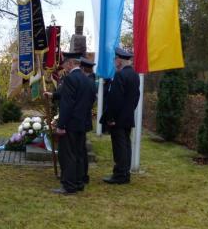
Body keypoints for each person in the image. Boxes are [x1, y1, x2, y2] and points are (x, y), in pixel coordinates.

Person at [45, 52, 93, 195]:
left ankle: (68, 185)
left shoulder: (70, 78)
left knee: (68, 155)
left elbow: (67, 104)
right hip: (82, 123)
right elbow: (84, 99)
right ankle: (78, 182)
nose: (64, 67)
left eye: (65, 64)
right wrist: (53, 95)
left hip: (70, 124)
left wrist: (61, 126)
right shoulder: (86, 79)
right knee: (79, 154)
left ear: (71, 63)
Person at [100, 47, 141, 185]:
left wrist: (111, 118)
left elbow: (115, 99)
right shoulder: (134, 75)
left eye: (115, 59)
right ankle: (125, 173)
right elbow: (136, 97)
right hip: (128, 116)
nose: (114, 62)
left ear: (119, 60)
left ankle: (120, 175)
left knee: (119, 147)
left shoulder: (120, 75)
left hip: (117, 118)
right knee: (126, 145)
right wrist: (129, 110)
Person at [79, 58, 98, 185]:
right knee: (82, 148)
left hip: (82, 118)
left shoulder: (88, 82)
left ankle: (83, 175)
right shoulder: (91, 81)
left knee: (81, 149)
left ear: (83, 68)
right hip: (84, 119)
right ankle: (83, 175)